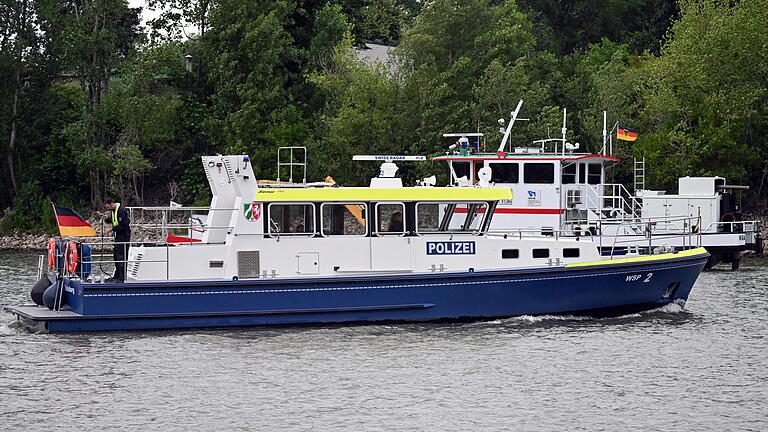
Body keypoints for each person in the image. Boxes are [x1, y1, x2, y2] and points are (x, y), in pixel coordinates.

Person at [103, 198, 131, 282]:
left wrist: (111, 229)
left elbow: (123, 225)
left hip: (124, 236)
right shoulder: (113, 211)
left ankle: (122, 277)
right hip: (118, 236)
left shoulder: (121, 211)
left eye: (108, 207)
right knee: (116, 255)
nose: (107, 208)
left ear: (112, 203)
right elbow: (113, 220)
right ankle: (117, 275)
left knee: (121, 256)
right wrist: (107, 219)